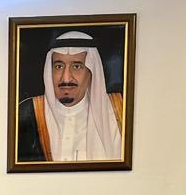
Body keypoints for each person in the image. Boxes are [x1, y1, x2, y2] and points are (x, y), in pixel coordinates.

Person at [16, 29, 124, 162]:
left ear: (91, 71)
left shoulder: (117, 112)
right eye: (59, 66)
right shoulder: (27, 113)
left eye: (76, 66)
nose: (66, 78)